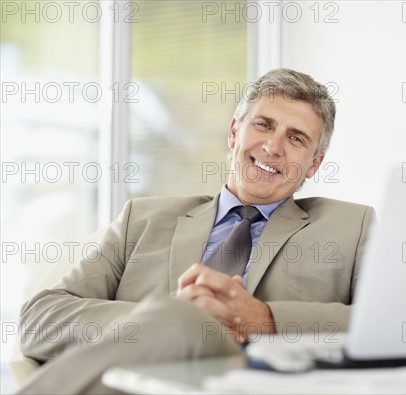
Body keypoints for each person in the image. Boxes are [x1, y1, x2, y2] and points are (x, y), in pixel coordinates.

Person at [17, 68, 375, 394]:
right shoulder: (142, 219)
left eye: (296, 138)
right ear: (234, 133)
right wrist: (162, 321)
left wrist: (265, 320)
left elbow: (392, 327)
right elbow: (40, 320)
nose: (273, 147)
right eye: (264, 125)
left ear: (314, 164)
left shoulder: (351, 227)